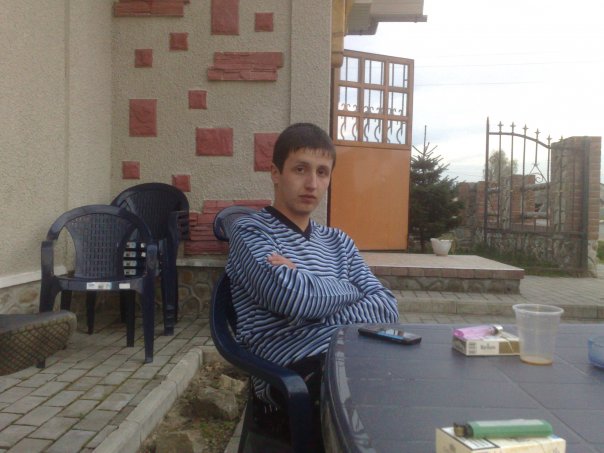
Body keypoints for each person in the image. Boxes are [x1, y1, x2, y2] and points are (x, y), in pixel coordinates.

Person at [225, 122, 399, 446]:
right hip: (292, 369)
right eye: (300, 169)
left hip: (352, 354)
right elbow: (290, 296)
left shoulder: (338, 241)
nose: (312, 183)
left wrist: (311, 287)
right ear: (275, 173)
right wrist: (350, 289)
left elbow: (387, 308)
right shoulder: (250, 231)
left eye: (322, 172)